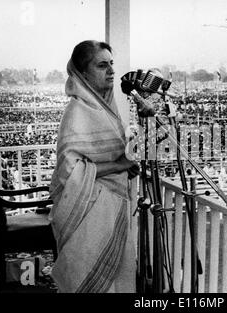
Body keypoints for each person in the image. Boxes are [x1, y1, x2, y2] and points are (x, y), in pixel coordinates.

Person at [49, 40, 139, 293]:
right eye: (102, 65)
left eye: (111, 64)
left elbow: (110, 160)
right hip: (89, 211)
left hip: (112, 208)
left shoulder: (105, 110)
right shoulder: (77, 111)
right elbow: (71, 171)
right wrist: (118, 164)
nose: (111, 71)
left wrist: (124, 166)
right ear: (83, 73)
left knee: (118, 281)